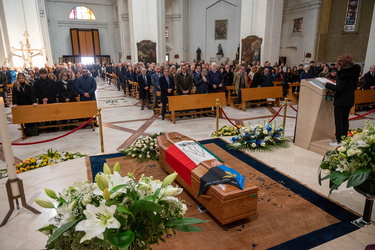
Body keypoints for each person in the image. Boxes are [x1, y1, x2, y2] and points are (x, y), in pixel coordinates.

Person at [322, 54, 361, 146]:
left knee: (338, 121)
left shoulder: (342, 73)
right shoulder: (355, 71)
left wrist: (327, 84)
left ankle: (339, 141)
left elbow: (339, 88)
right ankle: (344, 139)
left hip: (341, 99)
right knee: (345, 119)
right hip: (350, 99)